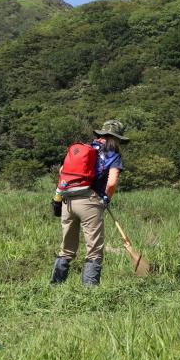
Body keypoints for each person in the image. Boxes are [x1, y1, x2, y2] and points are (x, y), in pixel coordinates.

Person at [50, 119, 129, 287]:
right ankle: (90, 292)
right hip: (90, 203)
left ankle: (55, 286)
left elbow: (62, 171)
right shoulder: (113, 154)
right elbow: (112, 182)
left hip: (68, 201)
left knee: (67, 248)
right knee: (94, 249)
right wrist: (105, 199)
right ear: (116, 138)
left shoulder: (84, 149)